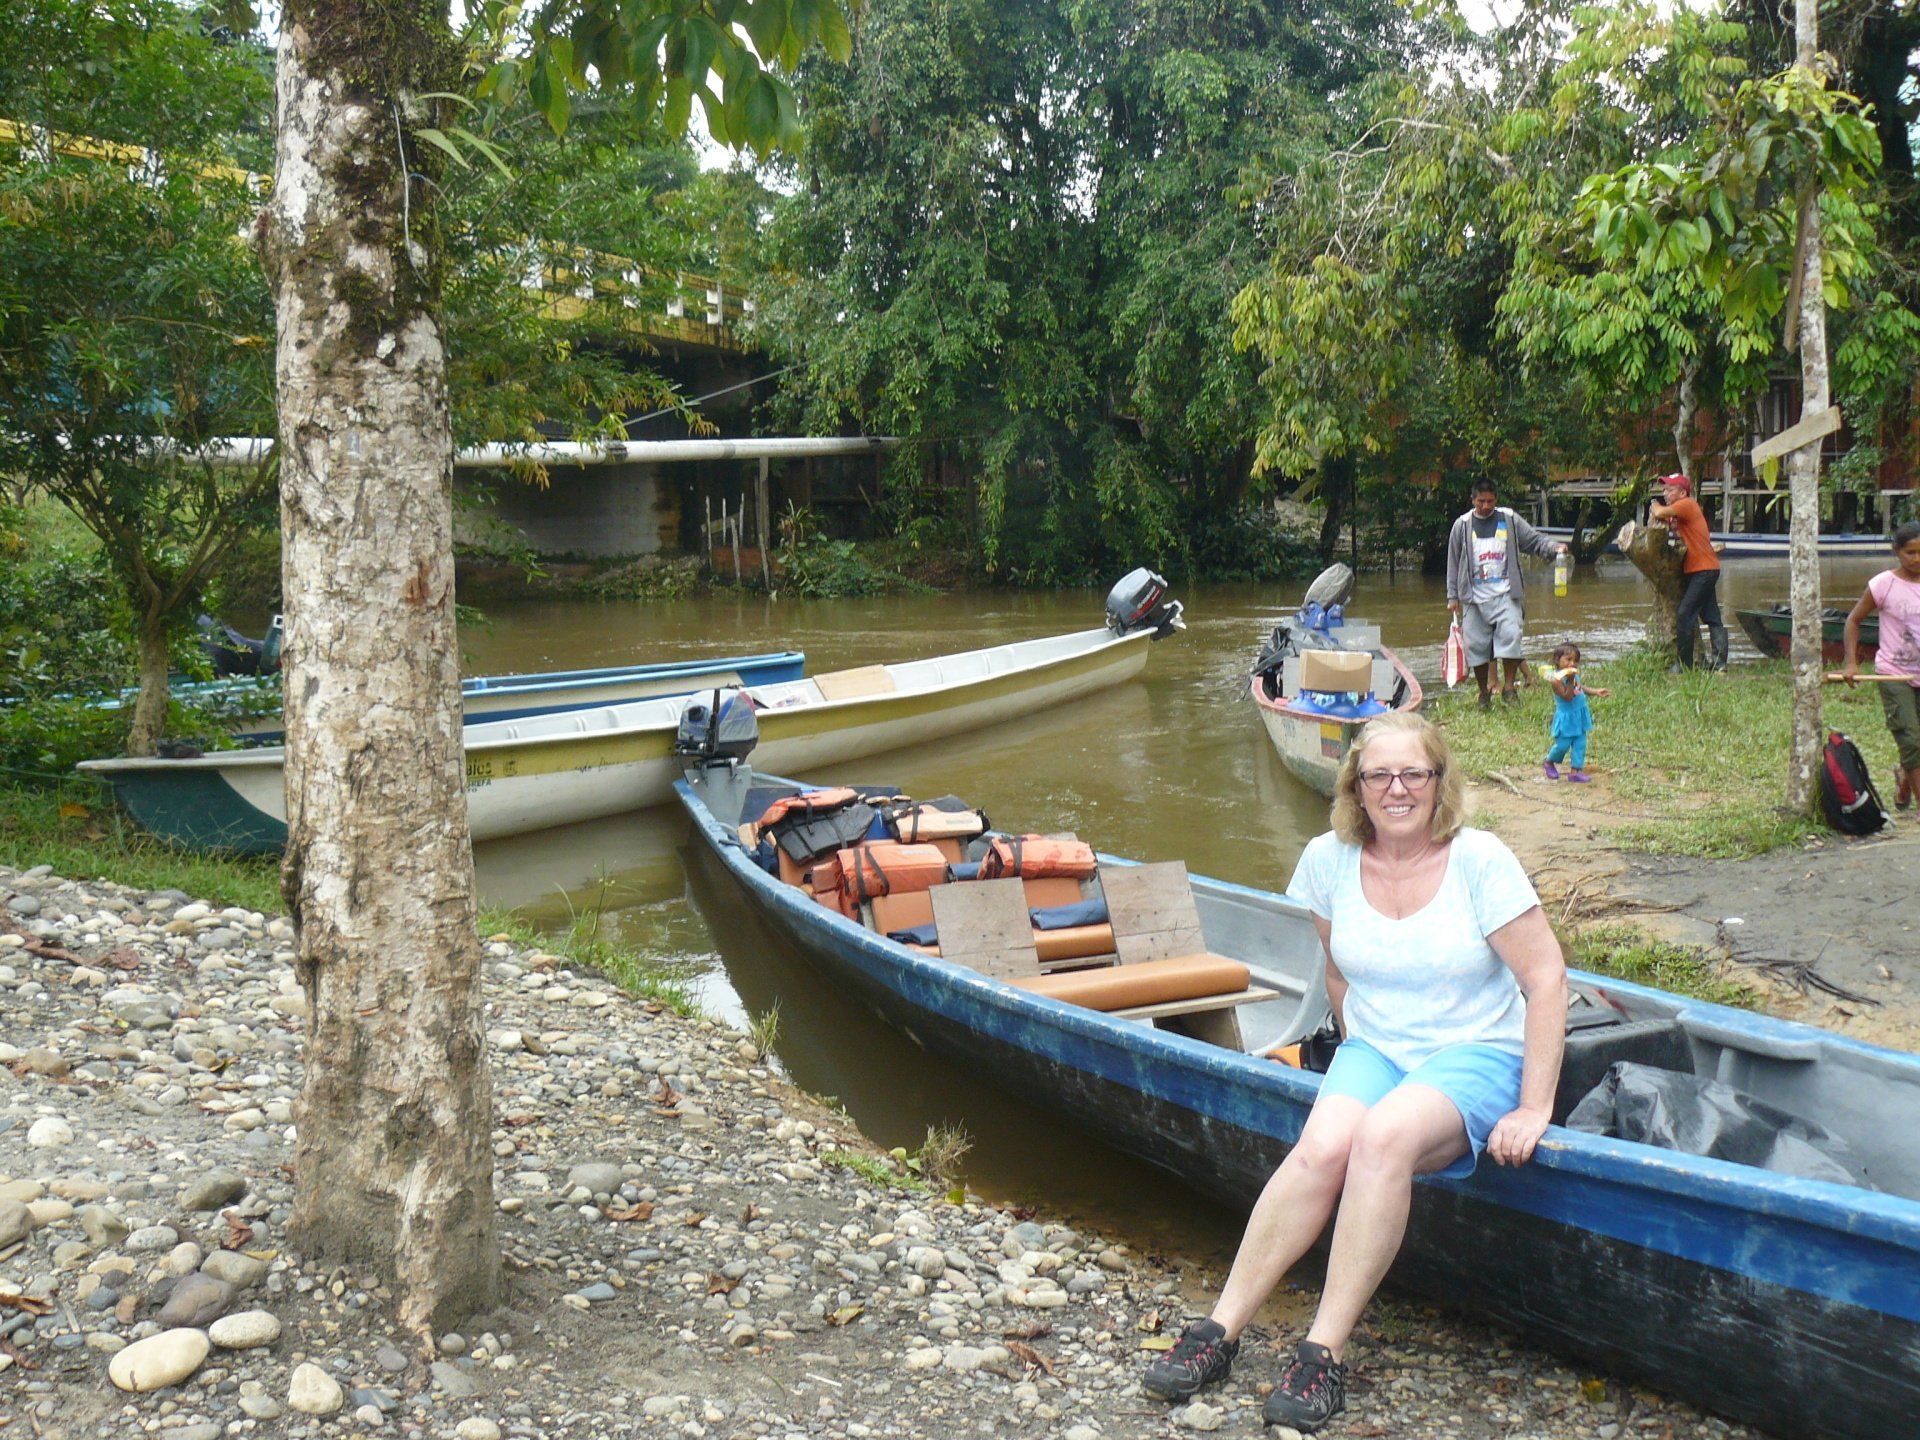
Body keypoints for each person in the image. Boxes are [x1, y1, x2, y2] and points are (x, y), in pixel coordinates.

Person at [1142, 711, 1567, 1433]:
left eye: (1414, 774)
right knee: (1320, 1148)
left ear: (1439, 782)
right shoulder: (1328, 860)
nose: (1397, 789)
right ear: (1356, 786)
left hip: (1476, 1051)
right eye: (1379, 775)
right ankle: (1220, 1330)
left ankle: (1323, 1353)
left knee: (1382, 1138)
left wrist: (1534, 1108)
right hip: (1378, 1047)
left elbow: (1547, 978)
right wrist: (1356, 1052)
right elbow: (1338, 973)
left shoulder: (1480, 860)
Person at [1445, 479, 1569, 709]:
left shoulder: (1509, 519)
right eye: (1481, 501)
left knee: (1512, 638)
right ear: (1473, 500)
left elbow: (1534, 540)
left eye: (1490, 501)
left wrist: (1554, 547)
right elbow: (1453, 561)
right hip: (1474, 597)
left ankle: (1509, 688)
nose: (1486, 506)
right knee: (1476, 647)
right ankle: (1484, 693)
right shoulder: (1461, 525)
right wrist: (1452, 596)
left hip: (1506, 594)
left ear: (1496, 499)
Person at [1842, 520, 1920, 811]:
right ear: (1897, 551)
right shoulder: (1883, 584)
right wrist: (1851, 663)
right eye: (1910, 552)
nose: (1917, 559)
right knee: (1910, 738)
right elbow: (1853, 620)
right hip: (1894, 673)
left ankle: (1905, 779)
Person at [1648, 473, 1728, 670]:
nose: (1665, 493)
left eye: (1670, 490)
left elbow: (1659, 512)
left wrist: (1654, 504)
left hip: (1703, 570)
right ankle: (1719, 664)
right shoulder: (1682, 511)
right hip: (1705, 568)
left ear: (1682, 493)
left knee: (1684, 614)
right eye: (1664, 490)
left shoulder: (1687, 504)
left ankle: (1684, 664)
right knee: (1712, 617)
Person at [1542, 642, 1610, 784]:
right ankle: (1549, 761)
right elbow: (1567, 696)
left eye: (1575, 661)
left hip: (1579, 715)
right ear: (1557, 660)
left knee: (1580, 743)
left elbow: (1580, 687)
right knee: (1562, 745)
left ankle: (1575, 771)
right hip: (1566, 718)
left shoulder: (1574, 676)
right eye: (1568, 660)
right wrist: (1571, 679)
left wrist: (1595, 691)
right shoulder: (1556, 681)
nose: (1572, 663)